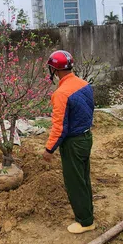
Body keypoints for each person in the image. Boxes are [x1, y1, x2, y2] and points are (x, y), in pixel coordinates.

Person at [43, 50, 95, 234]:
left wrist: (49, 149)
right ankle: (88, 213)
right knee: (83, 178)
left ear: (54, 70)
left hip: (73, 143)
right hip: (86, 137)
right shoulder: (84, 84)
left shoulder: (61, 93)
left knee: (74, 182)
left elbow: (59, 128)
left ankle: (85, 221)